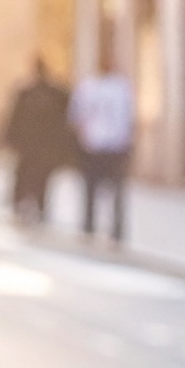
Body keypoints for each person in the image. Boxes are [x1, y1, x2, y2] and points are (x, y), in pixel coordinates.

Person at [71, 52, 136, 240]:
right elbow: (129, 117)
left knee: (93, 187)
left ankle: (90, 224)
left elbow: (77, 118)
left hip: (95, 143)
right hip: (115, 144)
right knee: (115, 189)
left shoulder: (88, 87)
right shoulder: (121, 88)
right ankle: (115, 228)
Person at [3, 58, 75, 225]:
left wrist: (11, 139)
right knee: (38, 177)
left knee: (27, 175)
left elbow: (15, 119)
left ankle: (26, 203)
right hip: (42, 147)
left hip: (31, 146)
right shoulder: (54, 94)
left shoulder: (32, 94)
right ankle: (35, 205)